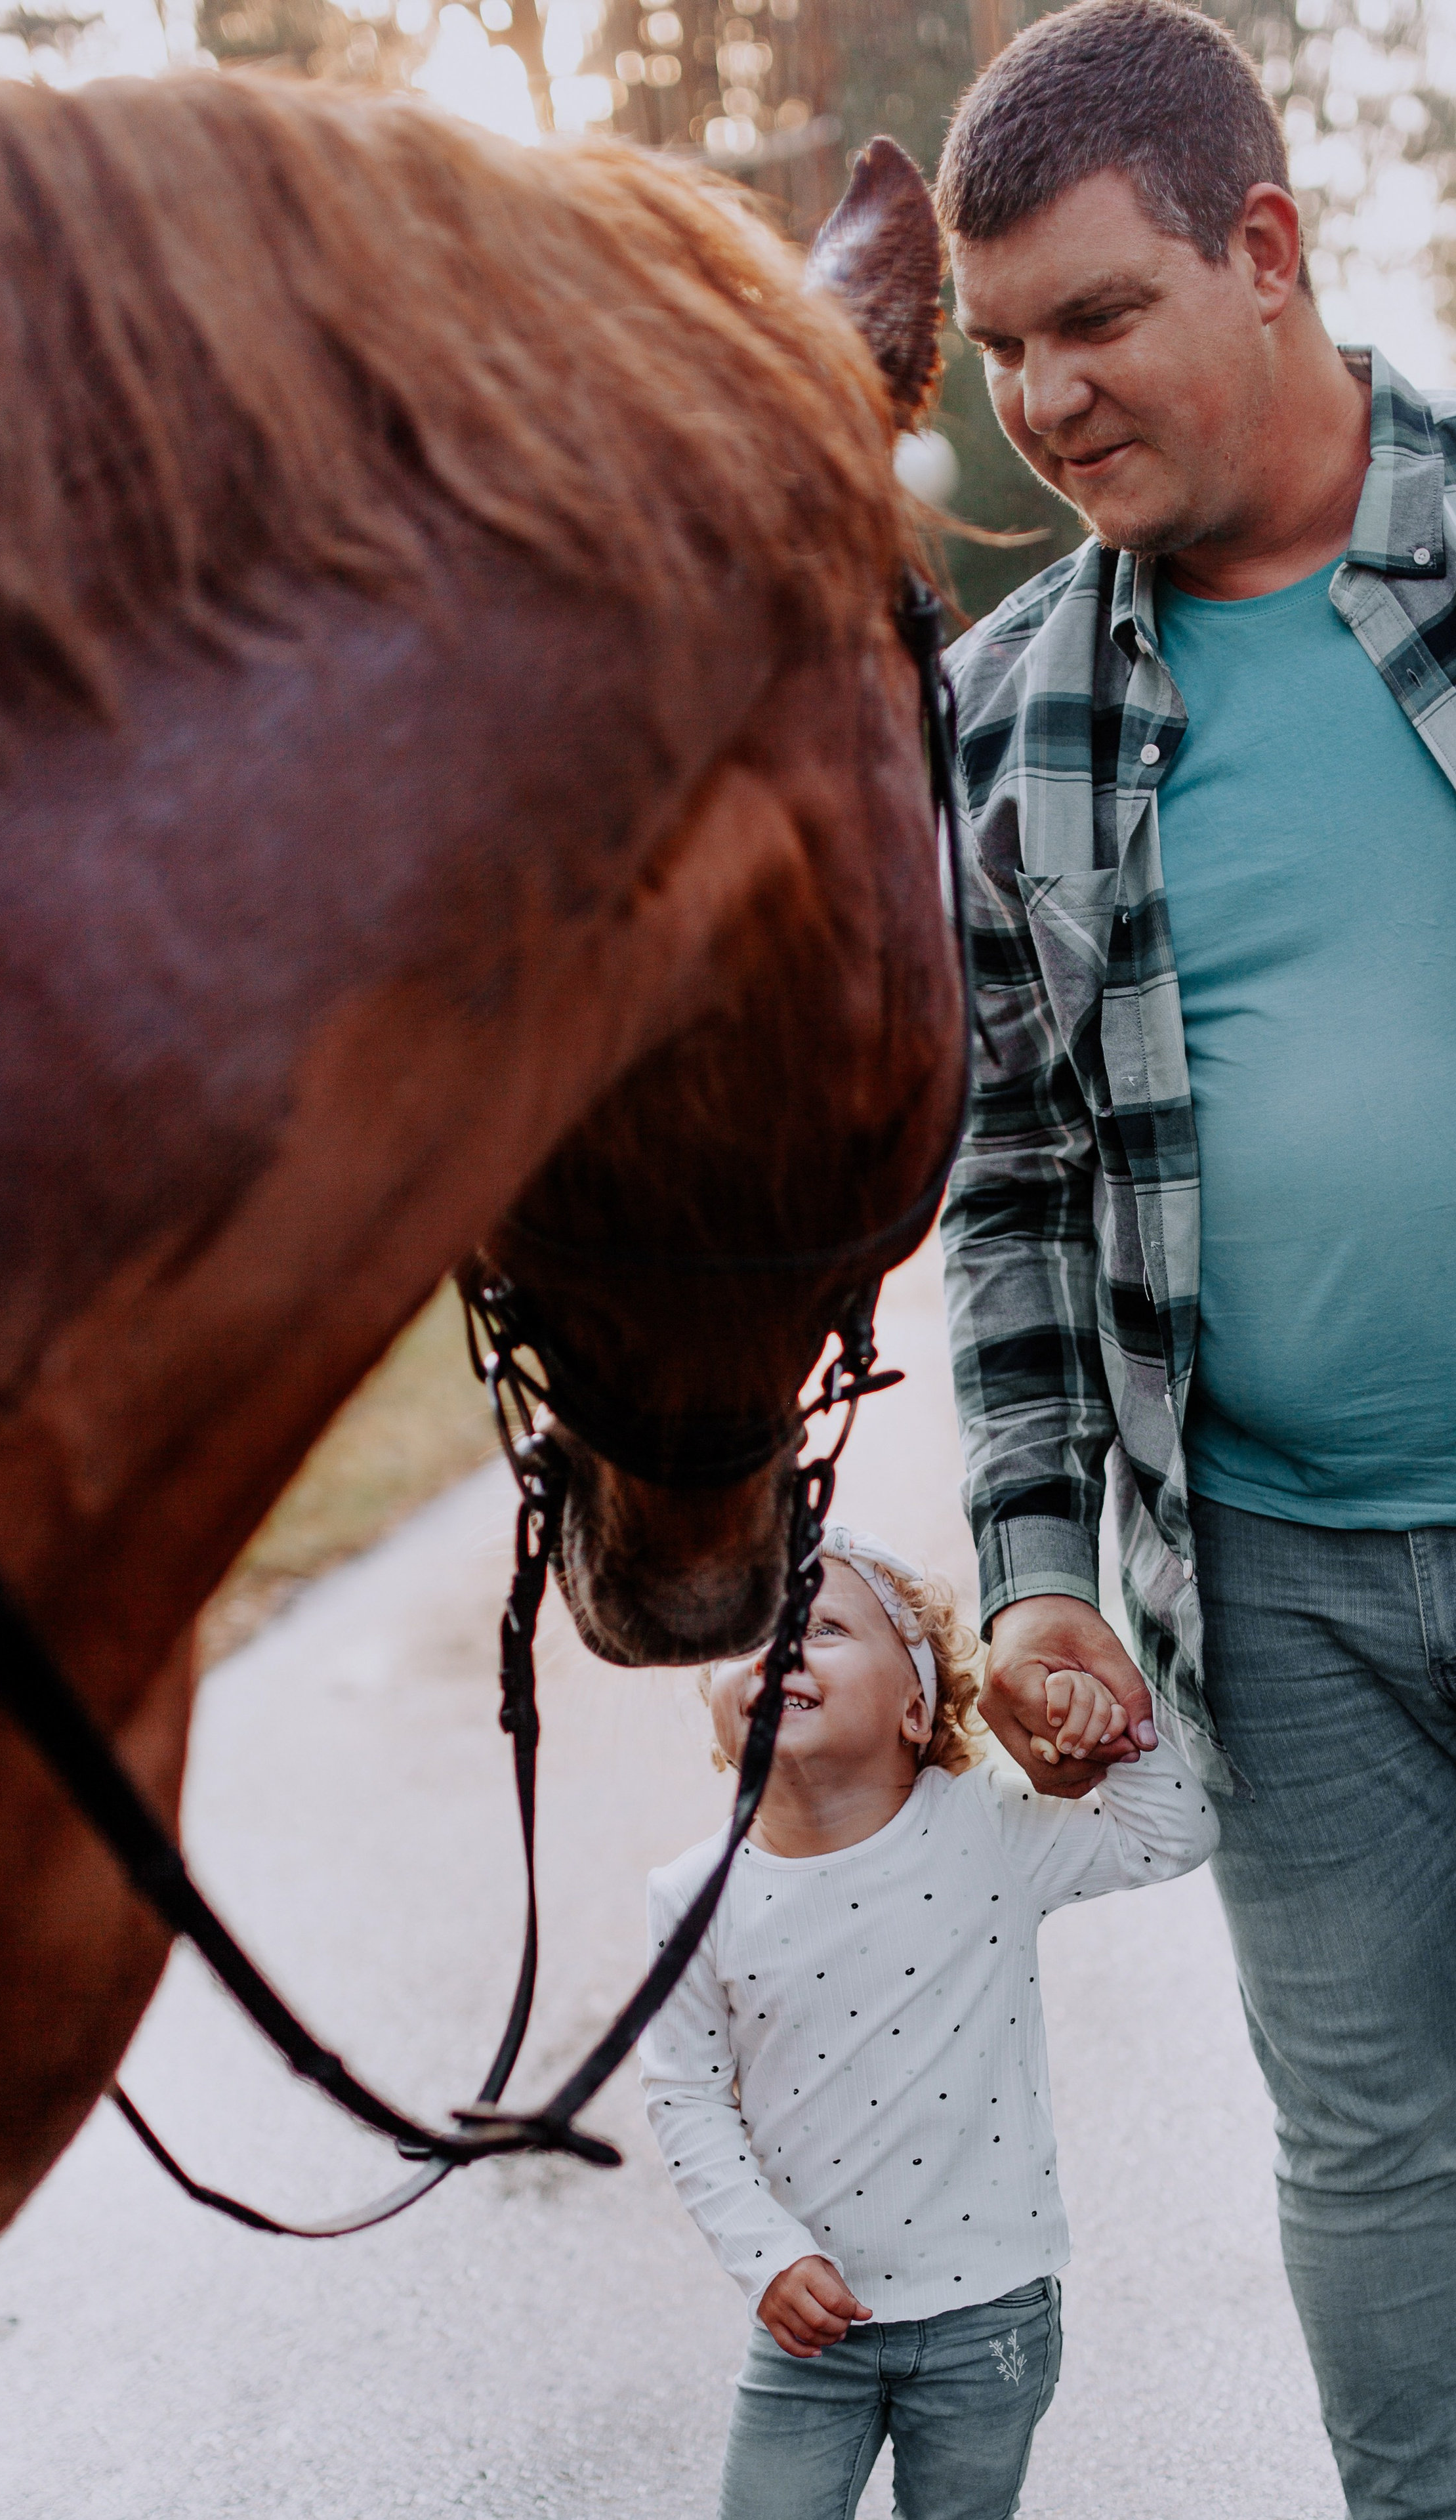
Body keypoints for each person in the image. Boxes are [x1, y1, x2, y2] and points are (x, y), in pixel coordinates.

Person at [931, 5, 1456, 2513]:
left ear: (1266, 248)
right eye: (1002, 343)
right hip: (1276, 1568)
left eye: (1094, 318)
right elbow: (1012, 1174)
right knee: (1374, 2152)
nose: (1039, 396)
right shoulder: (1003, 712)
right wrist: (1037, 1577)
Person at [639, 1527, 1217, 2520]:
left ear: (918, 1707)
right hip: (809, 2329)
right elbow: (684, 2095)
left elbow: (1174, 1833)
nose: (782, 1649)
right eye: (752, 1633)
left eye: (822, 1626)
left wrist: (1112, 1723)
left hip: (987, 2317)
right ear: (719, 1722)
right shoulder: (693, 1895)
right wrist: (764, 2256)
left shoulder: (986, 1827)